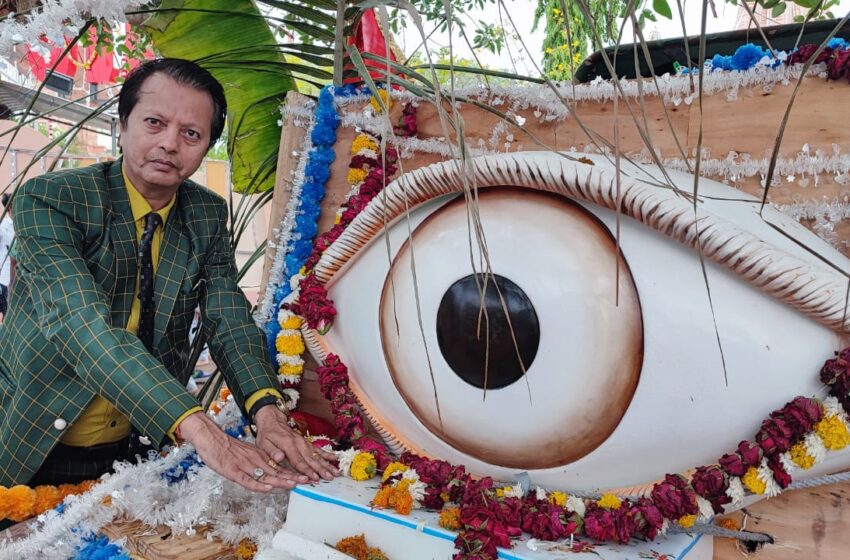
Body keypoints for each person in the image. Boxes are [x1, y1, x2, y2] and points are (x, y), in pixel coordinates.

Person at [0, 58, 338, 493]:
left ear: (206, 145)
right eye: (154, 123)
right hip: (34, 441)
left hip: (137, 449)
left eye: (191, 134)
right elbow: (82, 326)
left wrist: (268, 414)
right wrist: (201, 431)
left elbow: (228, 318)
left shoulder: (206, 213)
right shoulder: (52, 199)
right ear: (121, 126)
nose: (170, 144)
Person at [0, 192, 13, 322]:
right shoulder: (2, 226)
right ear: (9, 207)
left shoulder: (22, 224)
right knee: (5, 313)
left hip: (20, 275)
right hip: (4, 278)